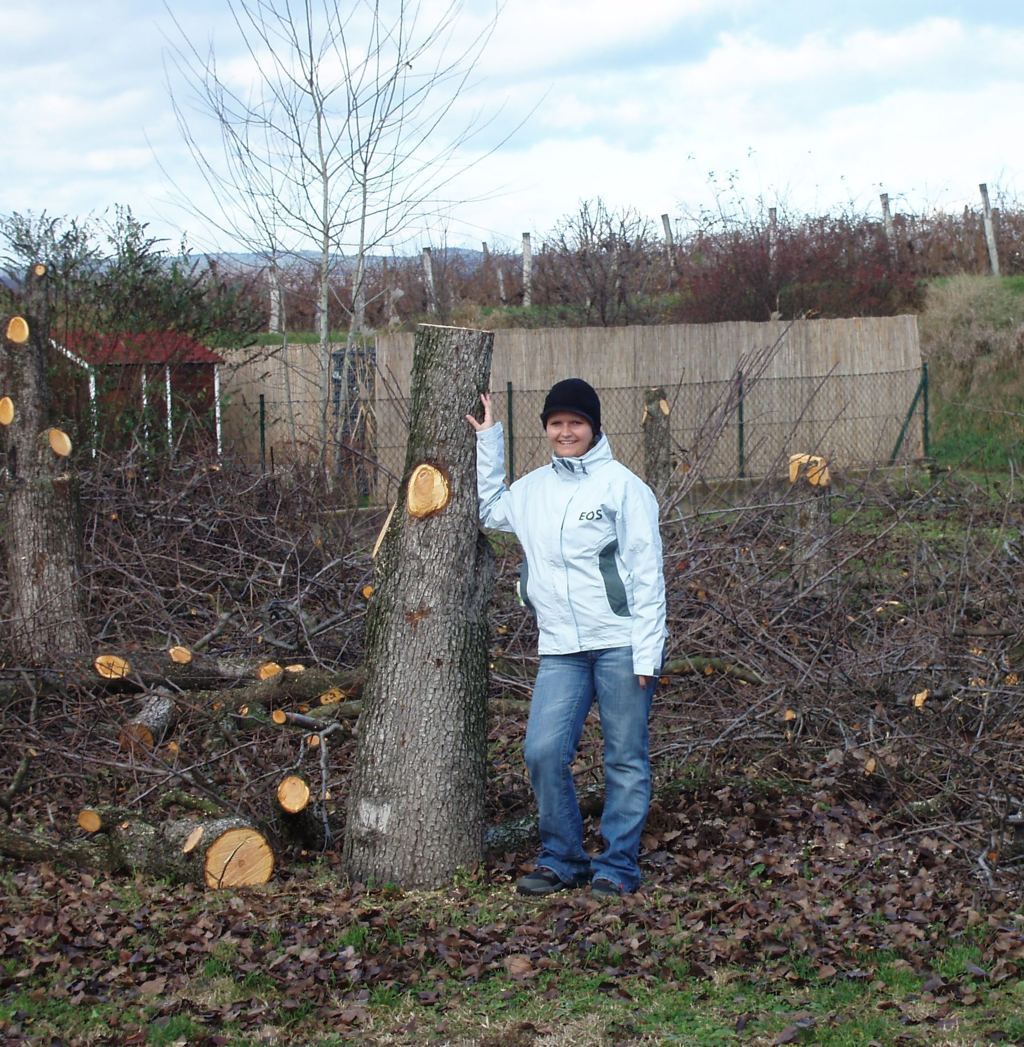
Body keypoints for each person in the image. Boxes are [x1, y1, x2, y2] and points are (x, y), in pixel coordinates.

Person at [466, 378, 667, 896]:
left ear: (593, 427)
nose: (566, 431)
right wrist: (488, 440)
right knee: (542, 751)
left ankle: (617, 866)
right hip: (561, 649)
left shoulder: (624, 488)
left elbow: (648, 575)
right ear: (546, 428)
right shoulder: (532, 490)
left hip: (621, 643)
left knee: (624, 758)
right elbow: (489, 509)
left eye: (576, 422)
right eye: (556, 423)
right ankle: (564, 859)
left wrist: (648, 652)